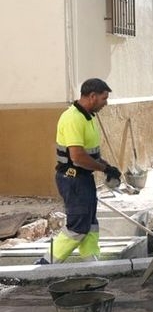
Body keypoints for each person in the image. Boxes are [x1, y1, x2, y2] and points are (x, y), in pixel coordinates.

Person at [37, 78, 121, 264]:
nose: (106, 103)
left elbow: (91, 154)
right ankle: (45, 265)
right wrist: (104, 168)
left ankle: (92, 264)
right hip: (72, 179)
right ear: (92, 96)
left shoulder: (87, 117)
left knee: (90, 225)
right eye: (103, 98)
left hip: (83, 178)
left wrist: (109, 168)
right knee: (77, 227)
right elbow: (77, 157)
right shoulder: (73, 118)